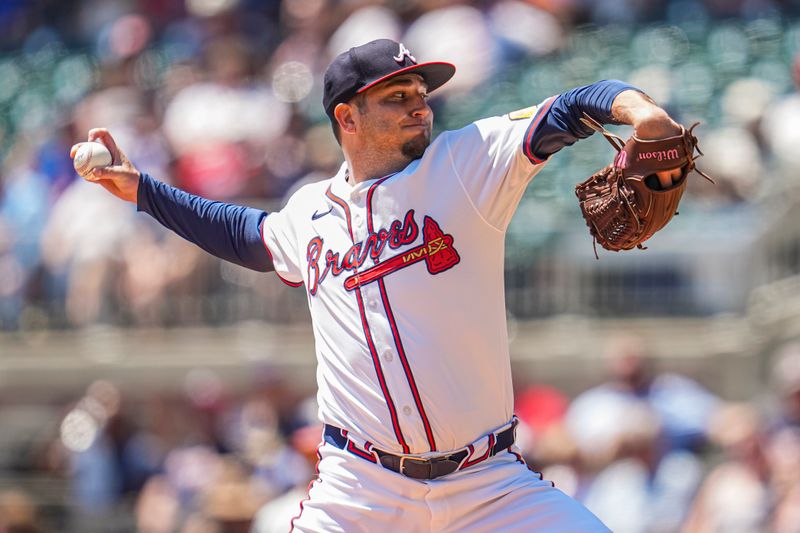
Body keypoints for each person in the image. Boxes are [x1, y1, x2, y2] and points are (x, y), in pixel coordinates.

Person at [73, 39, 689, 532]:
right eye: (397, 95)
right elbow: (243, 234)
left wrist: (641, 113)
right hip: (361, 491)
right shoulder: (308, 211)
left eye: (421, 92)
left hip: (489, 484)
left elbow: (566, 108)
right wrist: (142, 192)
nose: (419, 104)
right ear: (347, 117)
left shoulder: (467, 162)